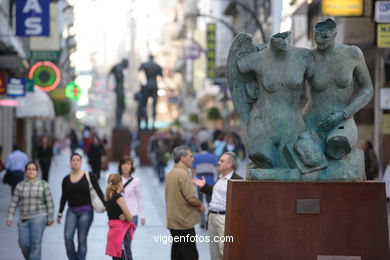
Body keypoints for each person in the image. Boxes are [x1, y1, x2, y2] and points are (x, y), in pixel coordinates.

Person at [237, 31, 314, 168]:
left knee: (291, 171)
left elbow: (318, 90)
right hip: (262, 122)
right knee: (263, 169)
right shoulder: (257, 59)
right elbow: (238, 67)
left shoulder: (304, 56)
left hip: (292, 123)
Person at [305, 18, 374, 160]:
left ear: (335, 34)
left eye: (324, 37)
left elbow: (368, 90)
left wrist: (344, 114)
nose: (320, 41)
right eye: (316, 37)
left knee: (336, 145)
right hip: (312, 122)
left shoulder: (352, 54)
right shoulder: (308, 57)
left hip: (342, 121)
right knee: (308, 158)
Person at [192, 152, 242, 260]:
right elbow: (217, 194)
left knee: (224, 251)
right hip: (212, 218)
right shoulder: (220, 178)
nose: (218, 162)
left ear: (230, 164)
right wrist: (204, 186)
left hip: (223, 219)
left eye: (222, 161)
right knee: (214, 252)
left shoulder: (237, 180)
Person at [57, 152, 105, 260]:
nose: (75, 162)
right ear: (70, 162)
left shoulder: (89, 176)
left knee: (81, 239)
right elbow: (63, 197)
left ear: (81, 162)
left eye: (78, 160)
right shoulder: (66, 179)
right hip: (71, 212)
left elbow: (99, 191)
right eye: (73, 160)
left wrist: (108, 206)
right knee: (68, 237)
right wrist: (60, 213)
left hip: (86, 212)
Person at [7, 161, 54, 260]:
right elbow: (14, 202)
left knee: (35, 244)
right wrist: (10, 217)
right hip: (23, 219)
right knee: (23, 244)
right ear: (25, 172)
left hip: (39, 218)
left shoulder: (43, 185)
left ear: (37, 171)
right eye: (29, 169)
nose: (31, 171)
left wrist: (50, 217)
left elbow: (49, 202)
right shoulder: (20, 186)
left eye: (33, 169)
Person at [165, 145, 205, 260]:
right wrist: (200, 205)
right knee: (190, 255)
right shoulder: (183, 174)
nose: (193, 159)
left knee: (177, 253)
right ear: (182, 158)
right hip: (184, 222)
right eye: (190, 156)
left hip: (174, 221)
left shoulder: (171, 173)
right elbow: (191, 198)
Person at [118, 156, 145, 255]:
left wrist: (142, 216)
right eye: (124, 164)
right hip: (119, 216)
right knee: (120, 243)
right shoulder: (116, 180)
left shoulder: (136, 181)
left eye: (128, 164)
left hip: (132, 216)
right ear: (120, 166)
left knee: (126, 242)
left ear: (131, 166)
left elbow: (140, 198)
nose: (126, 166)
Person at [105, 174, 135, 260]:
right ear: (119, 184)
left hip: (113, 233)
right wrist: (127, 215)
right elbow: (130, 218)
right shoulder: (119, 198)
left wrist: (125, 215)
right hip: (121, 234)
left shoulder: (108, 197)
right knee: (126, 257)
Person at [192, 141, 218, 228]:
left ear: (200, 148)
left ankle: (202, 221)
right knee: (210, 202)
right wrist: (216, 180)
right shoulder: (213, 157)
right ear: (208, 148)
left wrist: (193, 180)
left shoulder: (196, 158)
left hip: (199, 182)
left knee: (200, 202)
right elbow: (216, 170)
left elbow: (193, 170)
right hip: (210, 183)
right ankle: (209, 221)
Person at [138, 55, 163, 129]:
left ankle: (146, 124)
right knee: (154, 106)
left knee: (144, 106)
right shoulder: (157, 66)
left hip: (147, 86)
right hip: (154, 86)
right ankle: (153, 125)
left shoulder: (144, 65)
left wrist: (142, 84)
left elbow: (139, 73)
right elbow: (161, 77)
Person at [110, 59, 129, 127]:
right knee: (121, 106)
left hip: (120, 89)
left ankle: (119, 122)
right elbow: (117, 77)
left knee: (121, 106)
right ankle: (118, 123)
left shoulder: (119, 68)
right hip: (119, 90)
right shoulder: (119, 68)